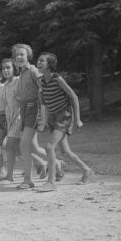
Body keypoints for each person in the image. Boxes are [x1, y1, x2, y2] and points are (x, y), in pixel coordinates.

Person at [36, 52, 94, 191]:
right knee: (65, 151)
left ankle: (51, 182)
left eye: (42, 61)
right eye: (38, 60)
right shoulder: (41, 81)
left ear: (50, 64)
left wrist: (78, 119)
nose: (38, 62)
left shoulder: (58, 79)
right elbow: (43, 102)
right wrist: (43, 120)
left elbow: (73, 96)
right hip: (52, 117)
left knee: (49, 147)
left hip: (64, 116)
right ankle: (87, 170)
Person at [13, 43, 56, 190]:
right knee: (34, 148)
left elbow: (42, 89)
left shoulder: (32, 70)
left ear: (28, 56)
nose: (19, 57)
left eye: (22, 54)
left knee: (23, 144)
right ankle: (57, 163)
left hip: (33, 108)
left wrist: (43, 115)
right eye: (17, 55)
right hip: (24, 109)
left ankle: (28, 179)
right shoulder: (21, 72)